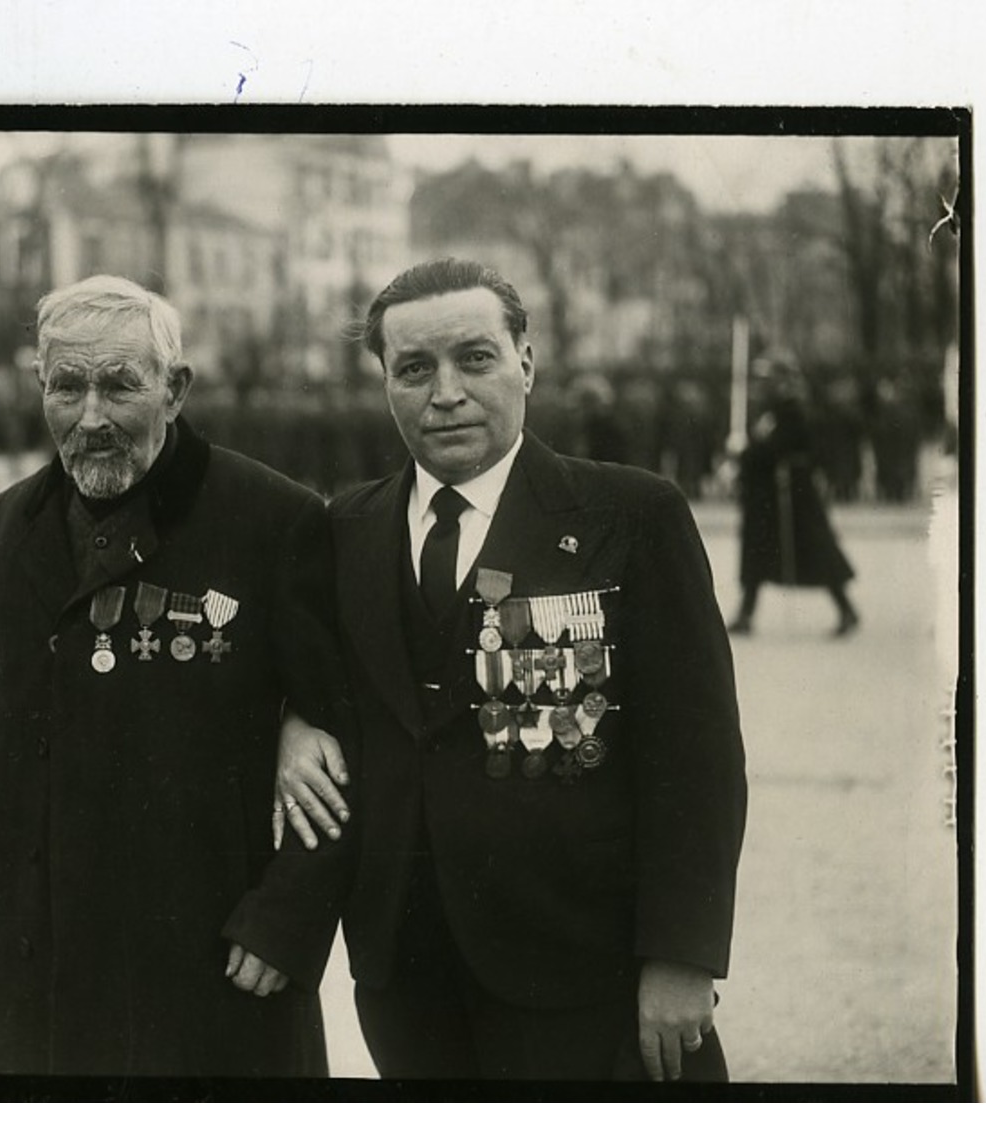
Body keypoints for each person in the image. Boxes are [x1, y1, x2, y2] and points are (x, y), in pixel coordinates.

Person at [276, 258, 747, 1082]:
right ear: (383, 381)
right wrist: (287, 726)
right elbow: (307, 684)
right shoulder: (342, 529)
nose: (445, 391)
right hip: (404, 969)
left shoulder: (628, 517)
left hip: (581, 965)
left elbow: (696, 758)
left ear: (526, 361)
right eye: (414, 368)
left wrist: (683, 956)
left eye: (475, 358)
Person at [0, 275, 353, 1077]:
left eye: (120, 385)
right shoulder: (3, 524)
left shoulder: (274, 519)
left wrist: (287, 921)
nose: (91, 417)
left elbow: (343, 743)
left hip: (208, 962)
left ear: (175, 390)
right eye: (65, 386)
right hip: (29, 956)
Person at [728, 358, 860, 637]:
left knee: (814, 552)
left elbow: (781, 448)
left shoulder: (794, 411)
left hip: (791, 496)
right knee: (757, 553)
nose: (761, 387)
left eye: (768, 381)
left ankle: (846, 609)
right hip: (767, 497)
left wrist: (746, 452)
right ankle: (746, 612)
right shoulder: (769, 411)